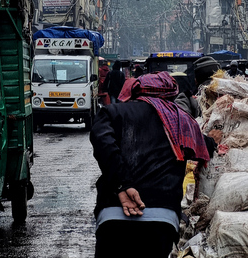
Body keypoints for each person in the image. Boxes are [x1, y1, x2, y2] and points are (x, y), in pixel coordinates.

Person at [89, 71, 212, 257]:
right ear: (170, 94)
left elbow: (104, 146)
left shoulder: (112, 113)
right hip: (161, 220)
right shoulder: (181, 122)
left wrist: (123, 185)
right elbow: (205, 147)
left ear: (137, 91)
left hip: (113, 216)